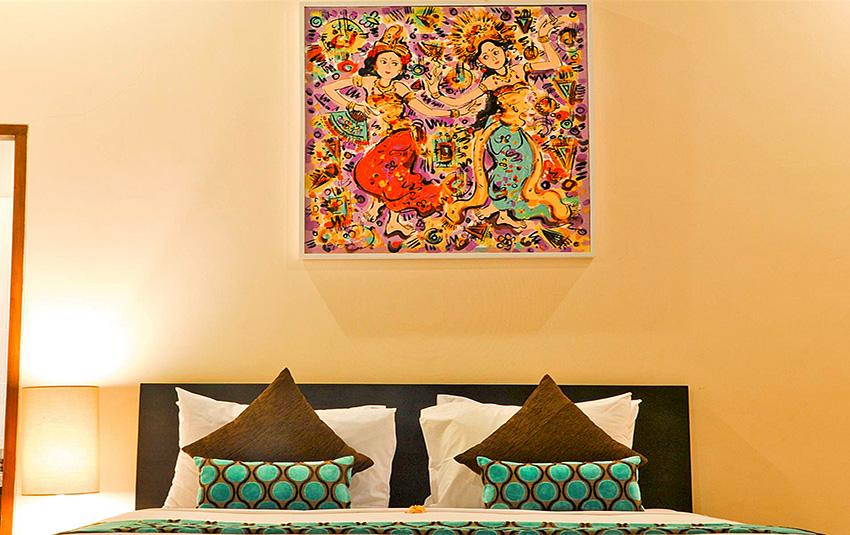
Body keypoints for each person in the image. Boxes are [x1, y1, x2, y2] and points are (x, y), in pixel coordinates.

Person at [426, 11, 572, 229]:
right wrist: (435, 93)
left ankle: (501, 209)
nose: (493, 57)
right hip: (500, 131)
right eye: (486, 56)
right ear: (480, 61)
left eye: (495, 51)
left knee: (525, 167)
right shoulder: (491, 81)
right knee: (509, 168)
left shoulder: (520, 69)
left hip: (517, 129)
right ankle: (501, 209)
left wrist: (543, 38)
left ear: (504, 50)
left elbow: (554, 62)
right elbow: (459, 101)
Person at [324, 25, 472, 238]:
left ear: (401, 68)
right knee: (371, 174)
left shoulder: (400, 88)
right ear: (375, 63)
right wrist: (354, 106)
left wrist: (456, 112)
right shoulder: (368, 82)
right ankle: (383, 212)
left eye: (394, 63)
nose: (389, 67)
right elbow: (329, 89)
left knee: (392, 179)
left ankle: (392, 218)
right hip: (382, 138)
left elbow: (427, 110)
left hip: (401, 139)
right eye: (384, 61)